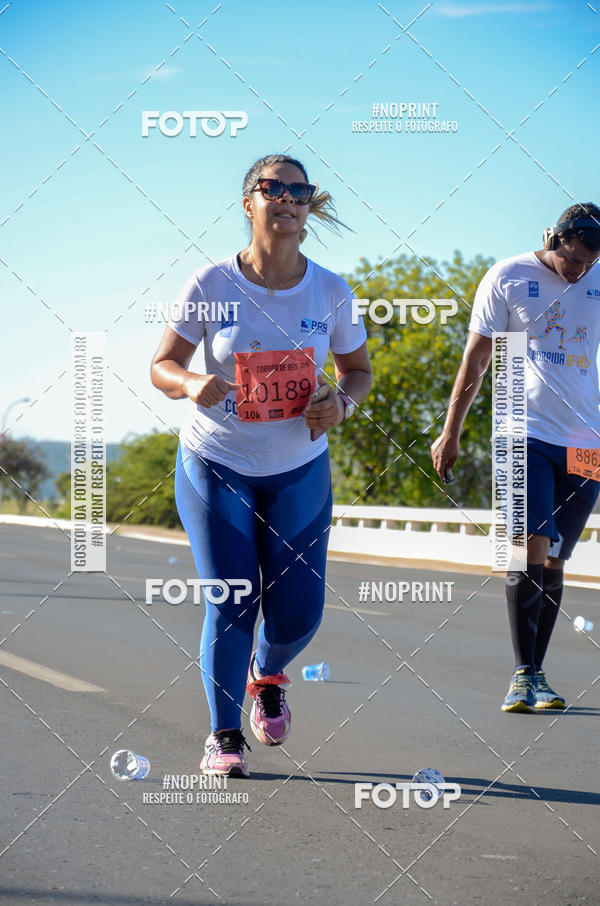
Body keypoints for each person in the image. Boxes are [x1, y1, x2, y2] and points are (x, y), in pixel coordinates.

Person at [151, 153, 372, 774]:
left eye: (299, 190)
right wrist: (190, 383)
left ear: (308, 206)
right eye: (272, 187)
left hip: (299, 466)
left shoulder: (330, 289)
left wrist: (342, 405)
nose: (287, 198)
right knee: (231, 599)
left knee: (300, 611)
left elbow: (357, 374)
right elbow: (161, 365)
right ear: (248, 201)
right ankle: (224, 736)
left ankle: (267, 672)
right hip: (217, 461)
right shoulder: (211, 283)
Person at [431, 203, 600, 713]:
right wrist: (450, 431)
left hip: (585, 441)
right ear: (554, 239)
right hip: (519, 429)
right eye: (572, 260)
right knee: (528, 544)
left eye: (589, 264)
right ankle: (522, 674)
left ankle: (537, 675)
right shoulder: (508, 277)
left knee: (554, 557)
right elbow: (477, 360)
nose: (579, 270)